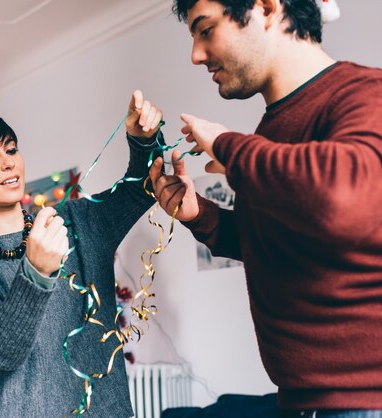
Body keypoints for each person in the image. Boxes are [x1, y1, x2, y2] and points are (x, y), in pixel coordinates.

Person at [149, 0, 382, 416]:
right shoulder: (271, 129)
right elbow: (279, 243)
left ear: (267, 8)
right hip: (301, 401)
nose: (196, 55)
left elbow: (342, 200)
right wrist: (198, 213)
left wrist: (227, 144)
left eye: (205, 29)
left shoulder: (365, 92)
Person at [0, 91, 165, 417]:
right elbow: (1, 353)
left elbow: (143, 188)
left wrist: (143, 141)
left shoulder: (73, 221)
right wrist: (36, 273)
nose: (8, 162)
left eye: (11, 150)